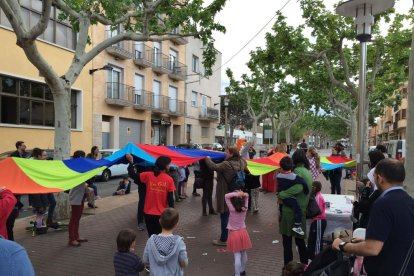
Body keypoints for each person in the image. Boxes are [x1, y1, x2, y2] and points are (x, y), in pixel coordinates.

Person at [333, 159, 414, 276]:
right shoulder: (409, 201)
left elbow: (372, 249)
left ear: (380, 178)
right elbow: (398, 237)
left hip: (386, 269)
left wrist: (342, 245)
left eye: (375, 176)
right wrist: (367, 241)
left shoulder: (383, 203)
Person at [205, 146, 247, 247]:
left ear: (231, 154)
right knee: (234, 215)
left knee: (224, 215)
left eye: (227, 152)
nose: (225, 154)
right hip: (237, 192)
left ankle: (224, 239)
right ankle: (234, 236)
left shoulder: (226, 164)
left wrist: (207, 157)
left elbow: (213, 167)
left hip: (225, 192)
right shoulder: (242, 162)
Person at [127, 155, 175, 237]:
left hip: (148, 214)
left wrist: (131, 162)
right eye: (169, 164)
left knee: (152, 237)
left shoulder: (148, 175)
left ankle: (152, 249)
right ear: (165, 166)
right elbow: (171, 200)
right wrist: (172, 214)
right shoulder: (169, 179)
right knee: (161, 237)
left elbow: (132, 174)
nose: (169, 166)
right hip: (161, 215)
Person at [278, 150, 312, 265]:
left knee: (287, 243)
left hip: (289, 212)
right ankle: (305, 266)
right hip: (300, 211)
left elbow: (299, 188)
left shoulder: (297, 171)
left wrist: (282, 194)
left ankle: (288, 268)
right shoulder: (307, 171)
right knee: (300, 242)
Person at [143, 208, 188, 276]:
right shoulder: (179, 242)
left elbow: (145, 261)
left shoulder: (151, 240)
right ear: (176, 224)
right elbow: (184, 262)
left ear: (160, 221)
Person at [277, 156, 309, 236]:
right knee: (298, 209)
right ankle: (297, 225)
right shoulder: (293, 176)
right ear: (292, 166)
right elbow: (302, 182)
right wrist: (306, 189)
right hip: (289, 197)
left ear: (281, 166)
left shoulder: (279, 176)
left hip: (282, 197)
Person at [225, 190, 252, 276]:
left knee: (237, 255)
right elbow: (247, 195)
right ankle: (243, 271)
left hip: (234, 234)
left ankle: (237, 274)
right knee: (244, 253)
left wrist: (236, 194)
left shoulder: (232, 209)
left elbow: (226, 196)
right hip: (243, 232)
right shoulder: (245, 208)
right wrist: (242, 194)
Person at [68, 150, 89, 247]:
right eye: (83, 156)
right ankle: (72, 239)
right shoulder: (75, 167)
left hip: (80, 196)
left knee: (78, 218)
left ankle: (76, 236)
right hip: (75, 197)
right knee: (74, 218)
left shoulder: (79, 166)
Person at [28, 148, 51, 234]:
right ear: (39, 156)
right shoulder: (33, 166)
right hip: (38, 196)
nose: (46, 157)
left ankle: (40, 226)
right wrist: (39, 205)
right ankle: (39, 228)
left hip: (42, 193)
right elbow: (35, 194)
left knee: (41, 214)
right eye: (44, 155)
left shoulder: (42, 164)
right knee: (40, 213)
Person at [307, 181, 326, 260]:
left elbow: (318, 211)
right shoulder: (316, 196)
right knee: (312, 238)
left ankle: (317, 258)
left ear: (314, 188)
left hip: (319, 221)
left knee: (317, 240)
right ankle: (310, 255)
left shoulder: (318, 197)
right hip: (317, 221)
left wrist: (308, 214)